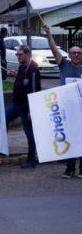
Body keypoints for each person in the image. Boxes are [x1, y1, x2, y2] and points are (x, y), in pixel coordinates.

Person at [44, 24, 82, 178]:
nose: (76, 55)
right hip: (66, 110)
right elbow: (54, 50)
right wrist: (49, 35)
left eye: (79, 53)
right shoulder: (63, 65)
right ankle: (70, 168)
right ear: (69, 55)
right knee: (69, 138)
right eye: (73, 52)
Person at [5, 45, 41, 169]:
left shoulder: (33, 68)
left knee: (29, 132)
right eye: (17, 54)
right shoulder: (22, 66)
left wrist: (32, 109)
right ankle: (1, 147)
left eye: (20, 54)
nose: (18, 56)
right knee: (3, 118)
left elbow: (35, 90)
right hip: (16, 103)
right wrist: (15, 74)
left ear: (27, 54)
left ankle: (31, 159)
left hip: (26, 106)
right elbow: (22, 81)